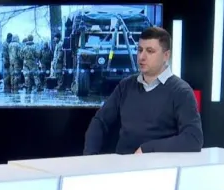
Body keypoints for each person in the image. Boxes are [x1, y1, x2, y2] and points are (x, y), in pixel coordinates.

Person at [83, 26, 203, 155]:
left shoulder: (181, 91)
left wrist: (147, 149)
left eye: (150, 51)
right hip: (124, 164)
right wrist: (90, 157)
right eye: (140, 50)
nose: (141, 57)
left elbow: (193, 139)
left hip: (159, 165)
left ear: (166, 55)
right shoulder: (126, 86)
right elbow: (100, 121)